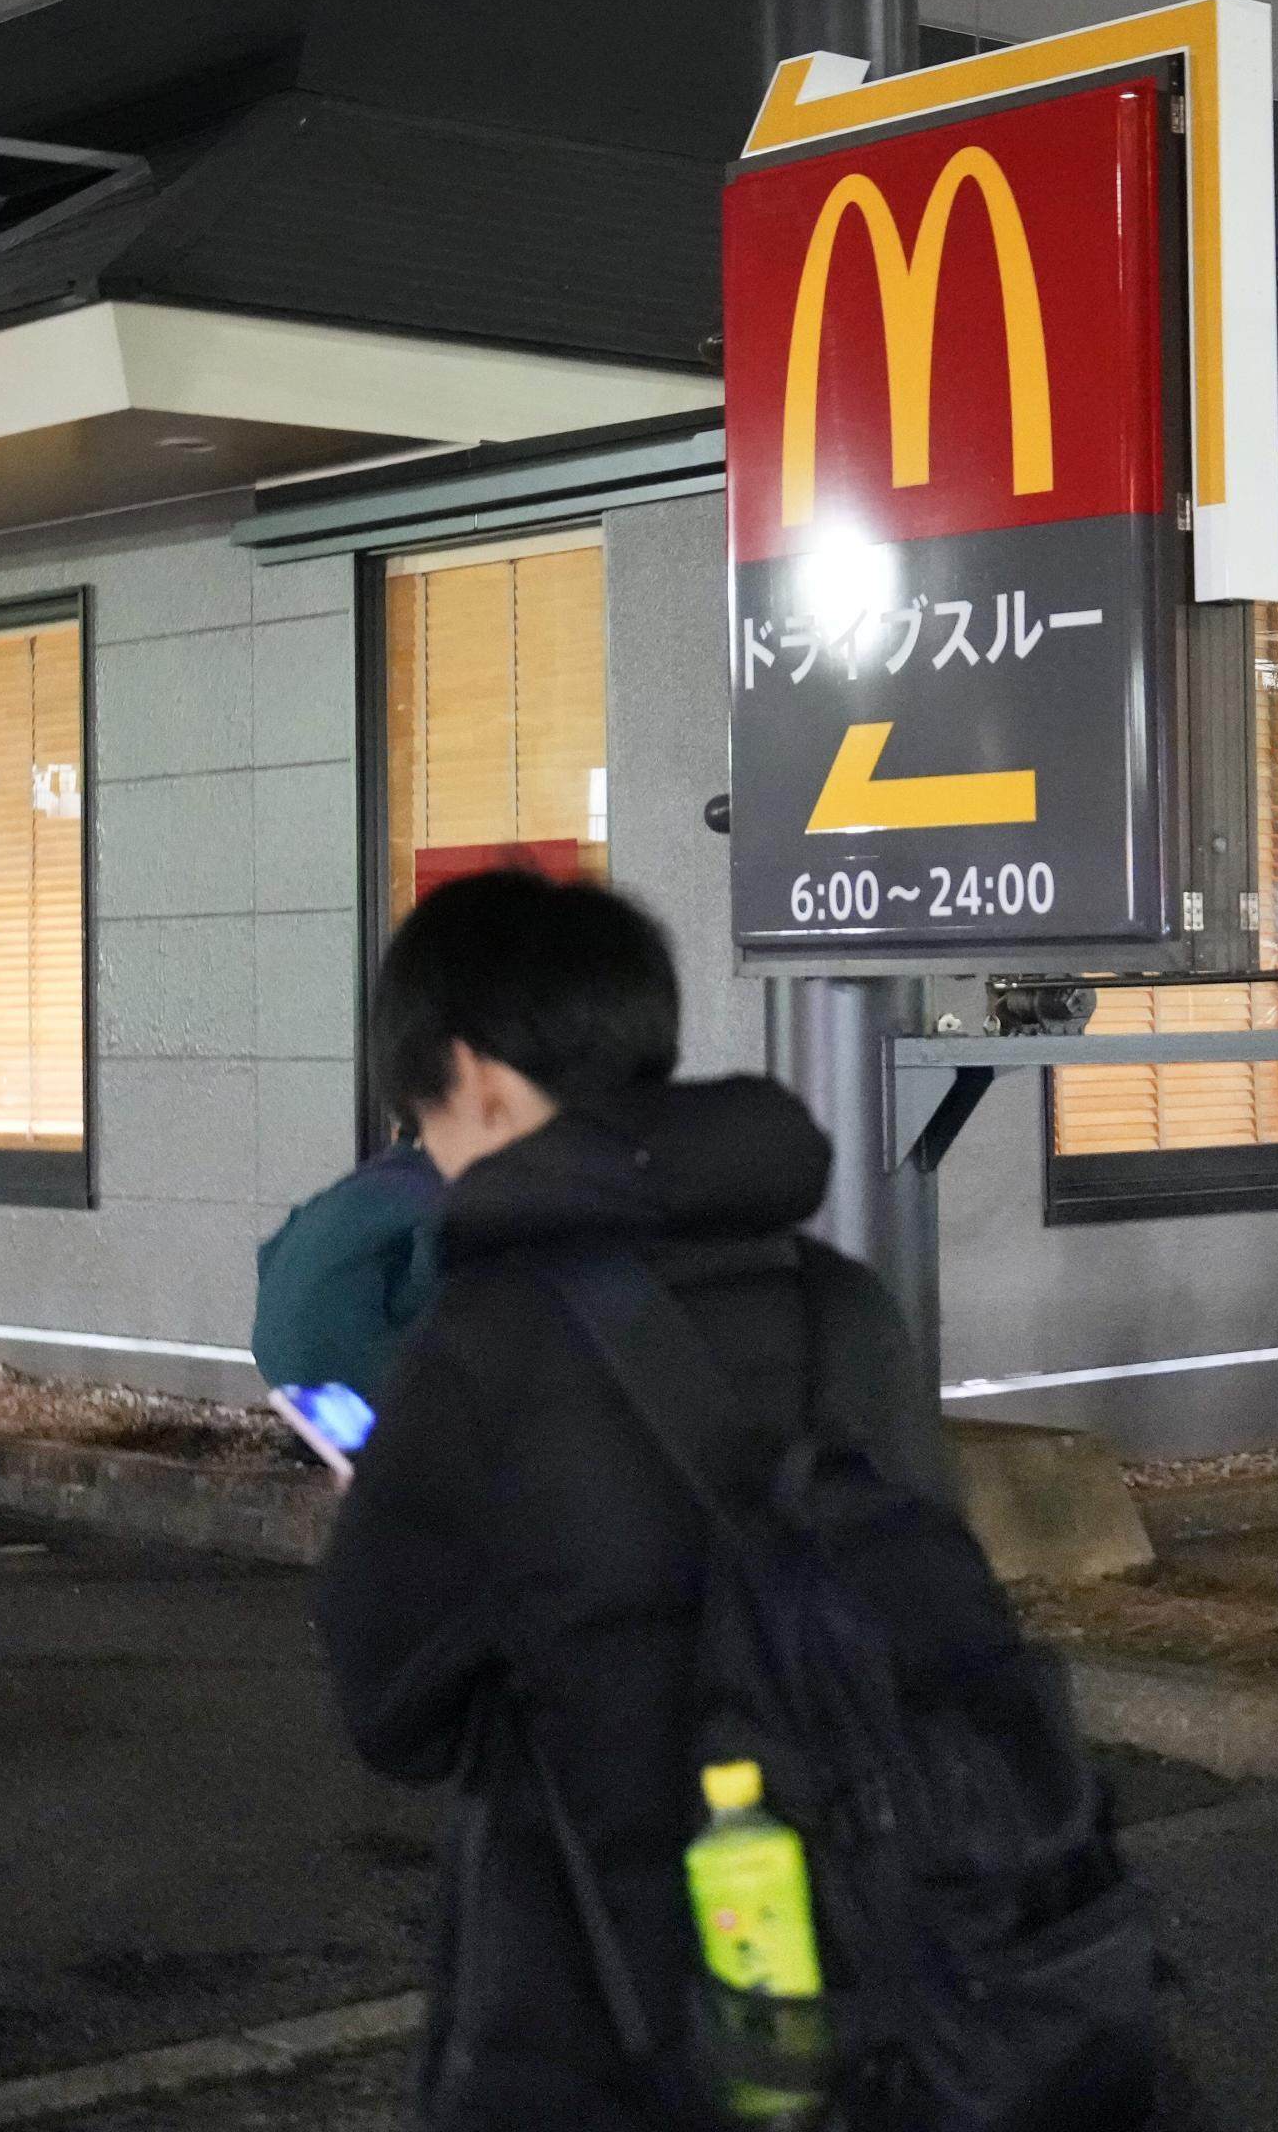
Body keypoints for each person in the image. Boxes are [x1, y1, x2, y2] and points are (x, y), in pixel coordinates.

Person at [312, 870, 954, 2127]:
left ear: (478, 1080)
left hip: (587, 2008)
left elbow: (390, 1707)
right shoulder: (848, 1308)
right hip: (880, 1961)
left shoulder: (488, 1343)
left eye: (425, 1121)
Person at [252, 1138, 443, 1401]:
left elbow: (268, 1252)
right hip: (349, 1368)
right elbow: (436, 1272)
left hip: (273, 1353)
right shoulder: (441, 1192)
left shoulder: (362, 1183)